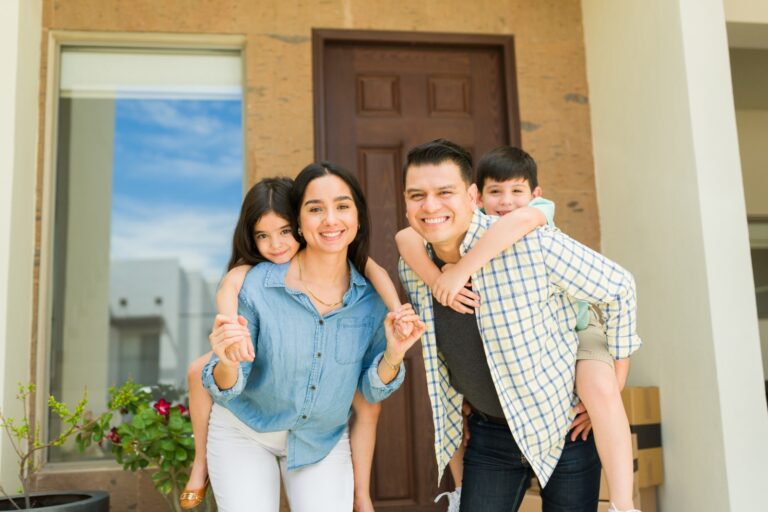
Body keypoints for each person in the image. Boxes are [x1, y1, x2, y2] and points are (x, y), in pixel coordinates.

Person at [397, 139, 641, 512]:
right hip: (490, 433)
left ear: (472, 196)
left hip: (563, 430)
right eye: (417, 195)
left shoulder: (531, 244)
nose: (430, 206)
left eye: (444, 192)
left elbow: (619, 287)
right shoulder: (414, 268)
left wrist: (618, 371)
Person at [179, 176, 415, 511]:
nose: (276, 244)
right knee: (199, 371)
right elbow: (227, 383)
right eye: (263, 235)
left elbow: (371, 396)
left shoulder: (368, 294)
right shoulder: (254, 281)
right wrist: (229, 355)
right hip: (245, 428)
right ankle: (199, 466)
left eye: (283, 231)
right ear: (305, 222)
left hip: (320, 439)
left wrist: (395, 338)